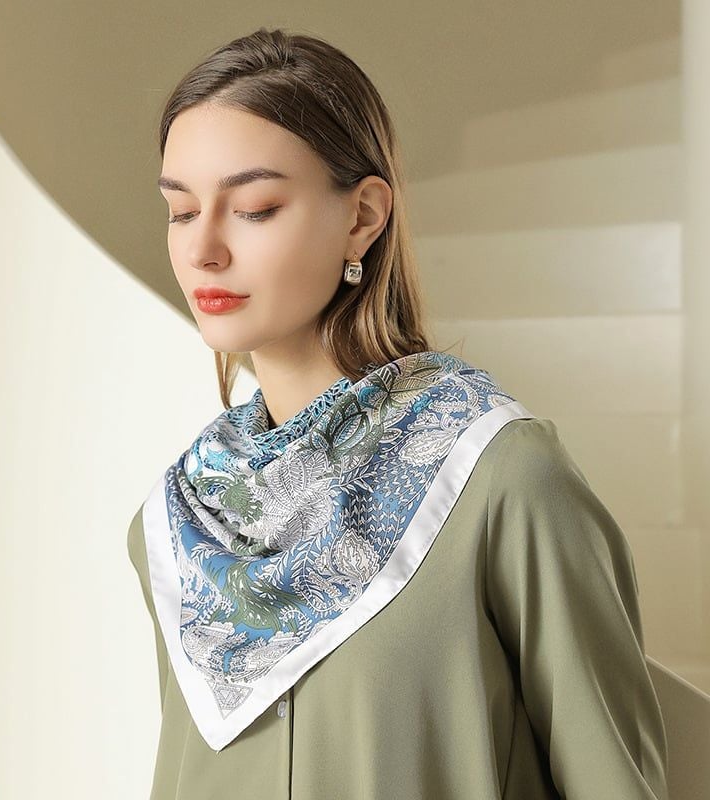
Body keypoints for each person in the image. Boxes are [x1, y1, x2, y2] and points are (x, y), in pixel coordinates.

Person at [127, 26, 669, 800]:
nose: (203, 249)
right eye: (181, 212)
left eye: (254, 208)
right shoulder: (183, 517)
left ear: (362, 216)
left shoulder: (498, 477)